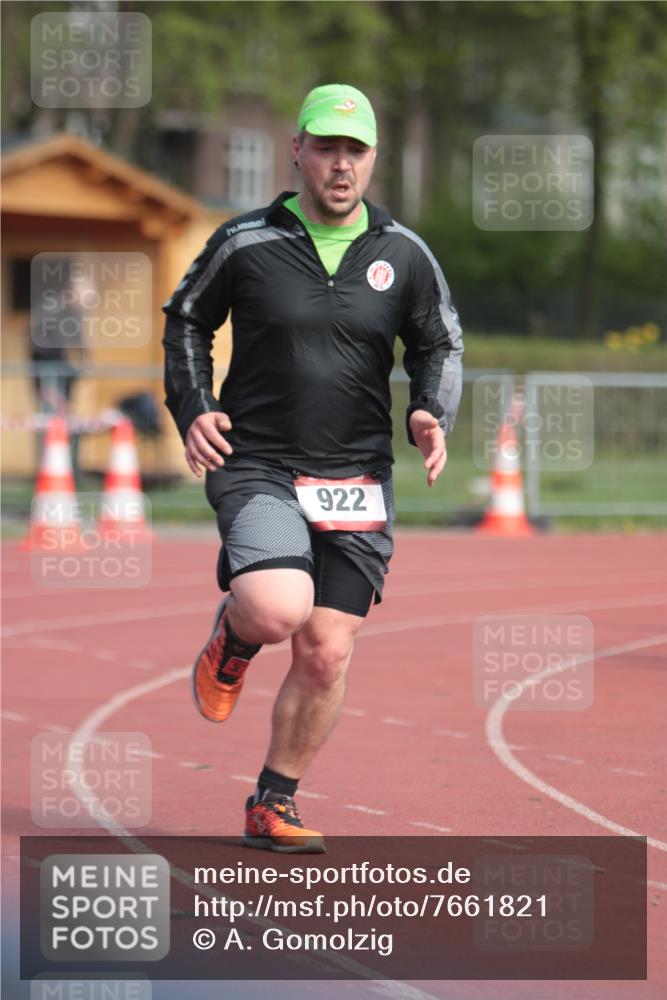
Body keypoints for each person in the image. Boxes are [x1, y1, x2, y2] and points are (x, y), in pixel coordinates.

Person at [162, 84, 463, 853]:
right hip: (257, 458)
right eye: (325, 147)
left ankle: (272, 802)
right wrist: (193, 403)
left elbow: (438, 341)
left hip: (356, 475)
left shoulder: (403, 252)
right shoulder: (245, 241)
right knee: (274, 607)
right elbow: (187, 319)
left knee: (326, 652)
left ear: (372, 159)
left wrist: (428, 409)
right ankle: (233, 637)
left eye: (353, 150)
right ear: (295, 150)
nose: (339, 164)